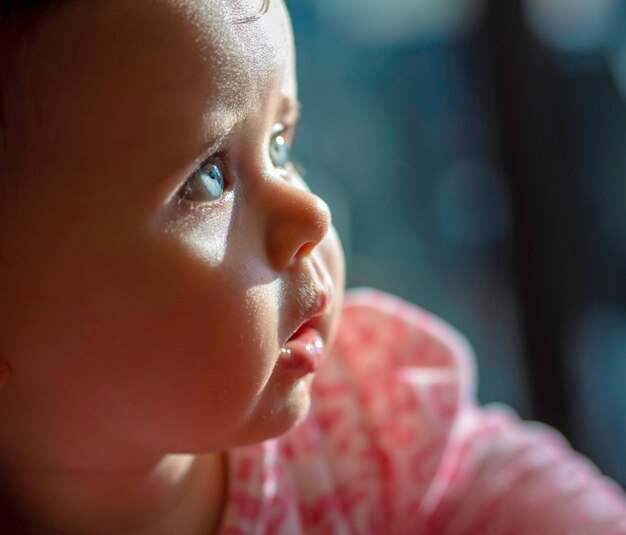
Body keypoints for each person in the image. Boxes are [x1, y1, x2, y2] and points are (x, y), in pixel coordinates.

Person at [0, 0, 624, 533]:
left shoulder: (364, 429)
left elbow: (531, 499)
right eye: (207, 179)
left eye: (280, 145)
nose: (313, 213)